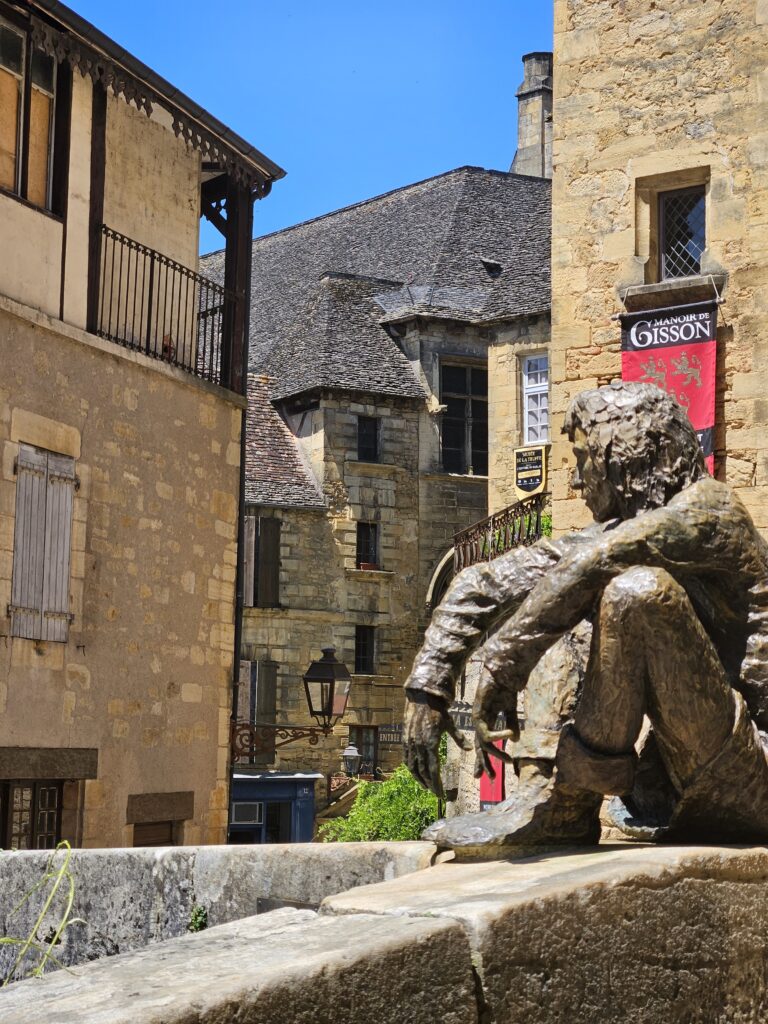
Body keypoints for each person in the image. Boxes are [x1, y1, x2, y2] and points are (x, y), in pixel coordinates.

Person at [403, 381, 768, 853]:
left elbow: (588, 566)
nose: (575, 483)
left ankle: (567, 805)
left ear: (622, 460)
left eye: (581, 462)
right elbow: (482, 583)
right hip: (682, 780)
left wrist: (501, 664)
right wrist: (428, 687)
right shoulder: (619, 534)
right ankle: (543, 788)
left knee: (634, 593)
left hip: (753, 776)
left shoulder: (714, 511)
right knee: (570, 593)